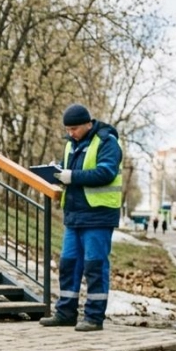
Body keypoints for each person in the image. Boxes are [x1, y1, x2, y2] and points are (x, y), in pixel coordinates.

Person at [39, 103, 123, 332]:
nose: (71, 133)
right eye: (68, 129)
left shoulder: (107, 141)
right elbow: (70, 175)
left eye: (74, 129)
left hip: (98, 215)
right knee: (68, 264)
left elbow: (106, 172)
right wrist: (56, 174)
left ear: (88, 124)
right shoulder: (71, 145)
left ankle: (94, 317)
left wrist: (71, 176)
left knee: (94, 265)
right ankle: (65, 313)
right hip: (74, 215)